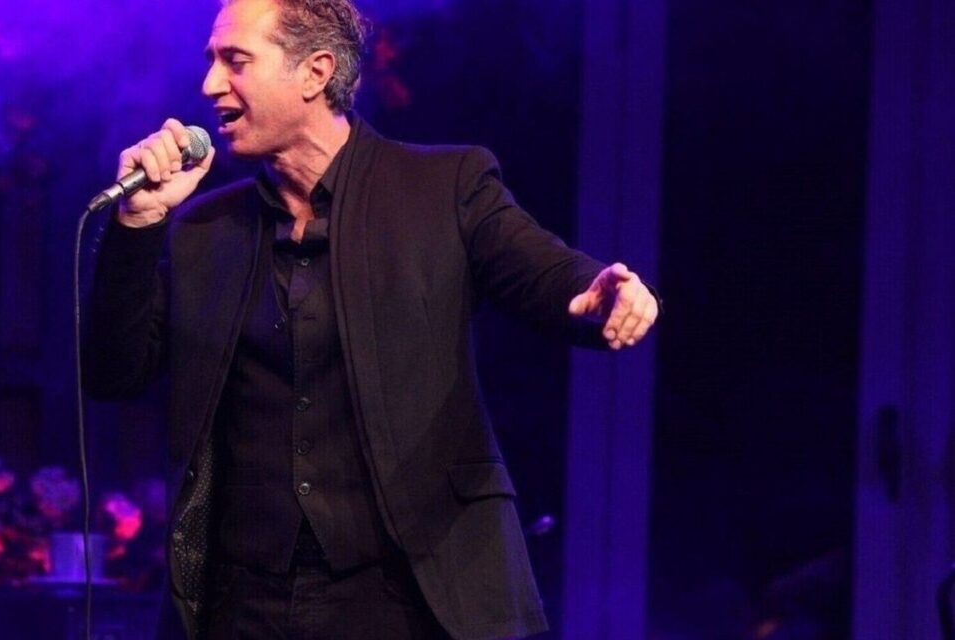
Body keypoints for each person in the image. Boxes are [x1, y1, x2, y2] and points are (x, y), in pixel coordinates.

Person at [82, 0, 659, 638]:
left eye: (235, 61)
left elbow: (541, 270)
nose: (210, 84)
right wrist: (138, 224)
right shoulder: (206, 228)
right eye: (212, 61)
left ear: (315, 72)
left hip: (407, 591)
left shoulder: (443, 186)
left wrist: (595, 293)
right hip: (244, 602)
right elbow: (113, 372)